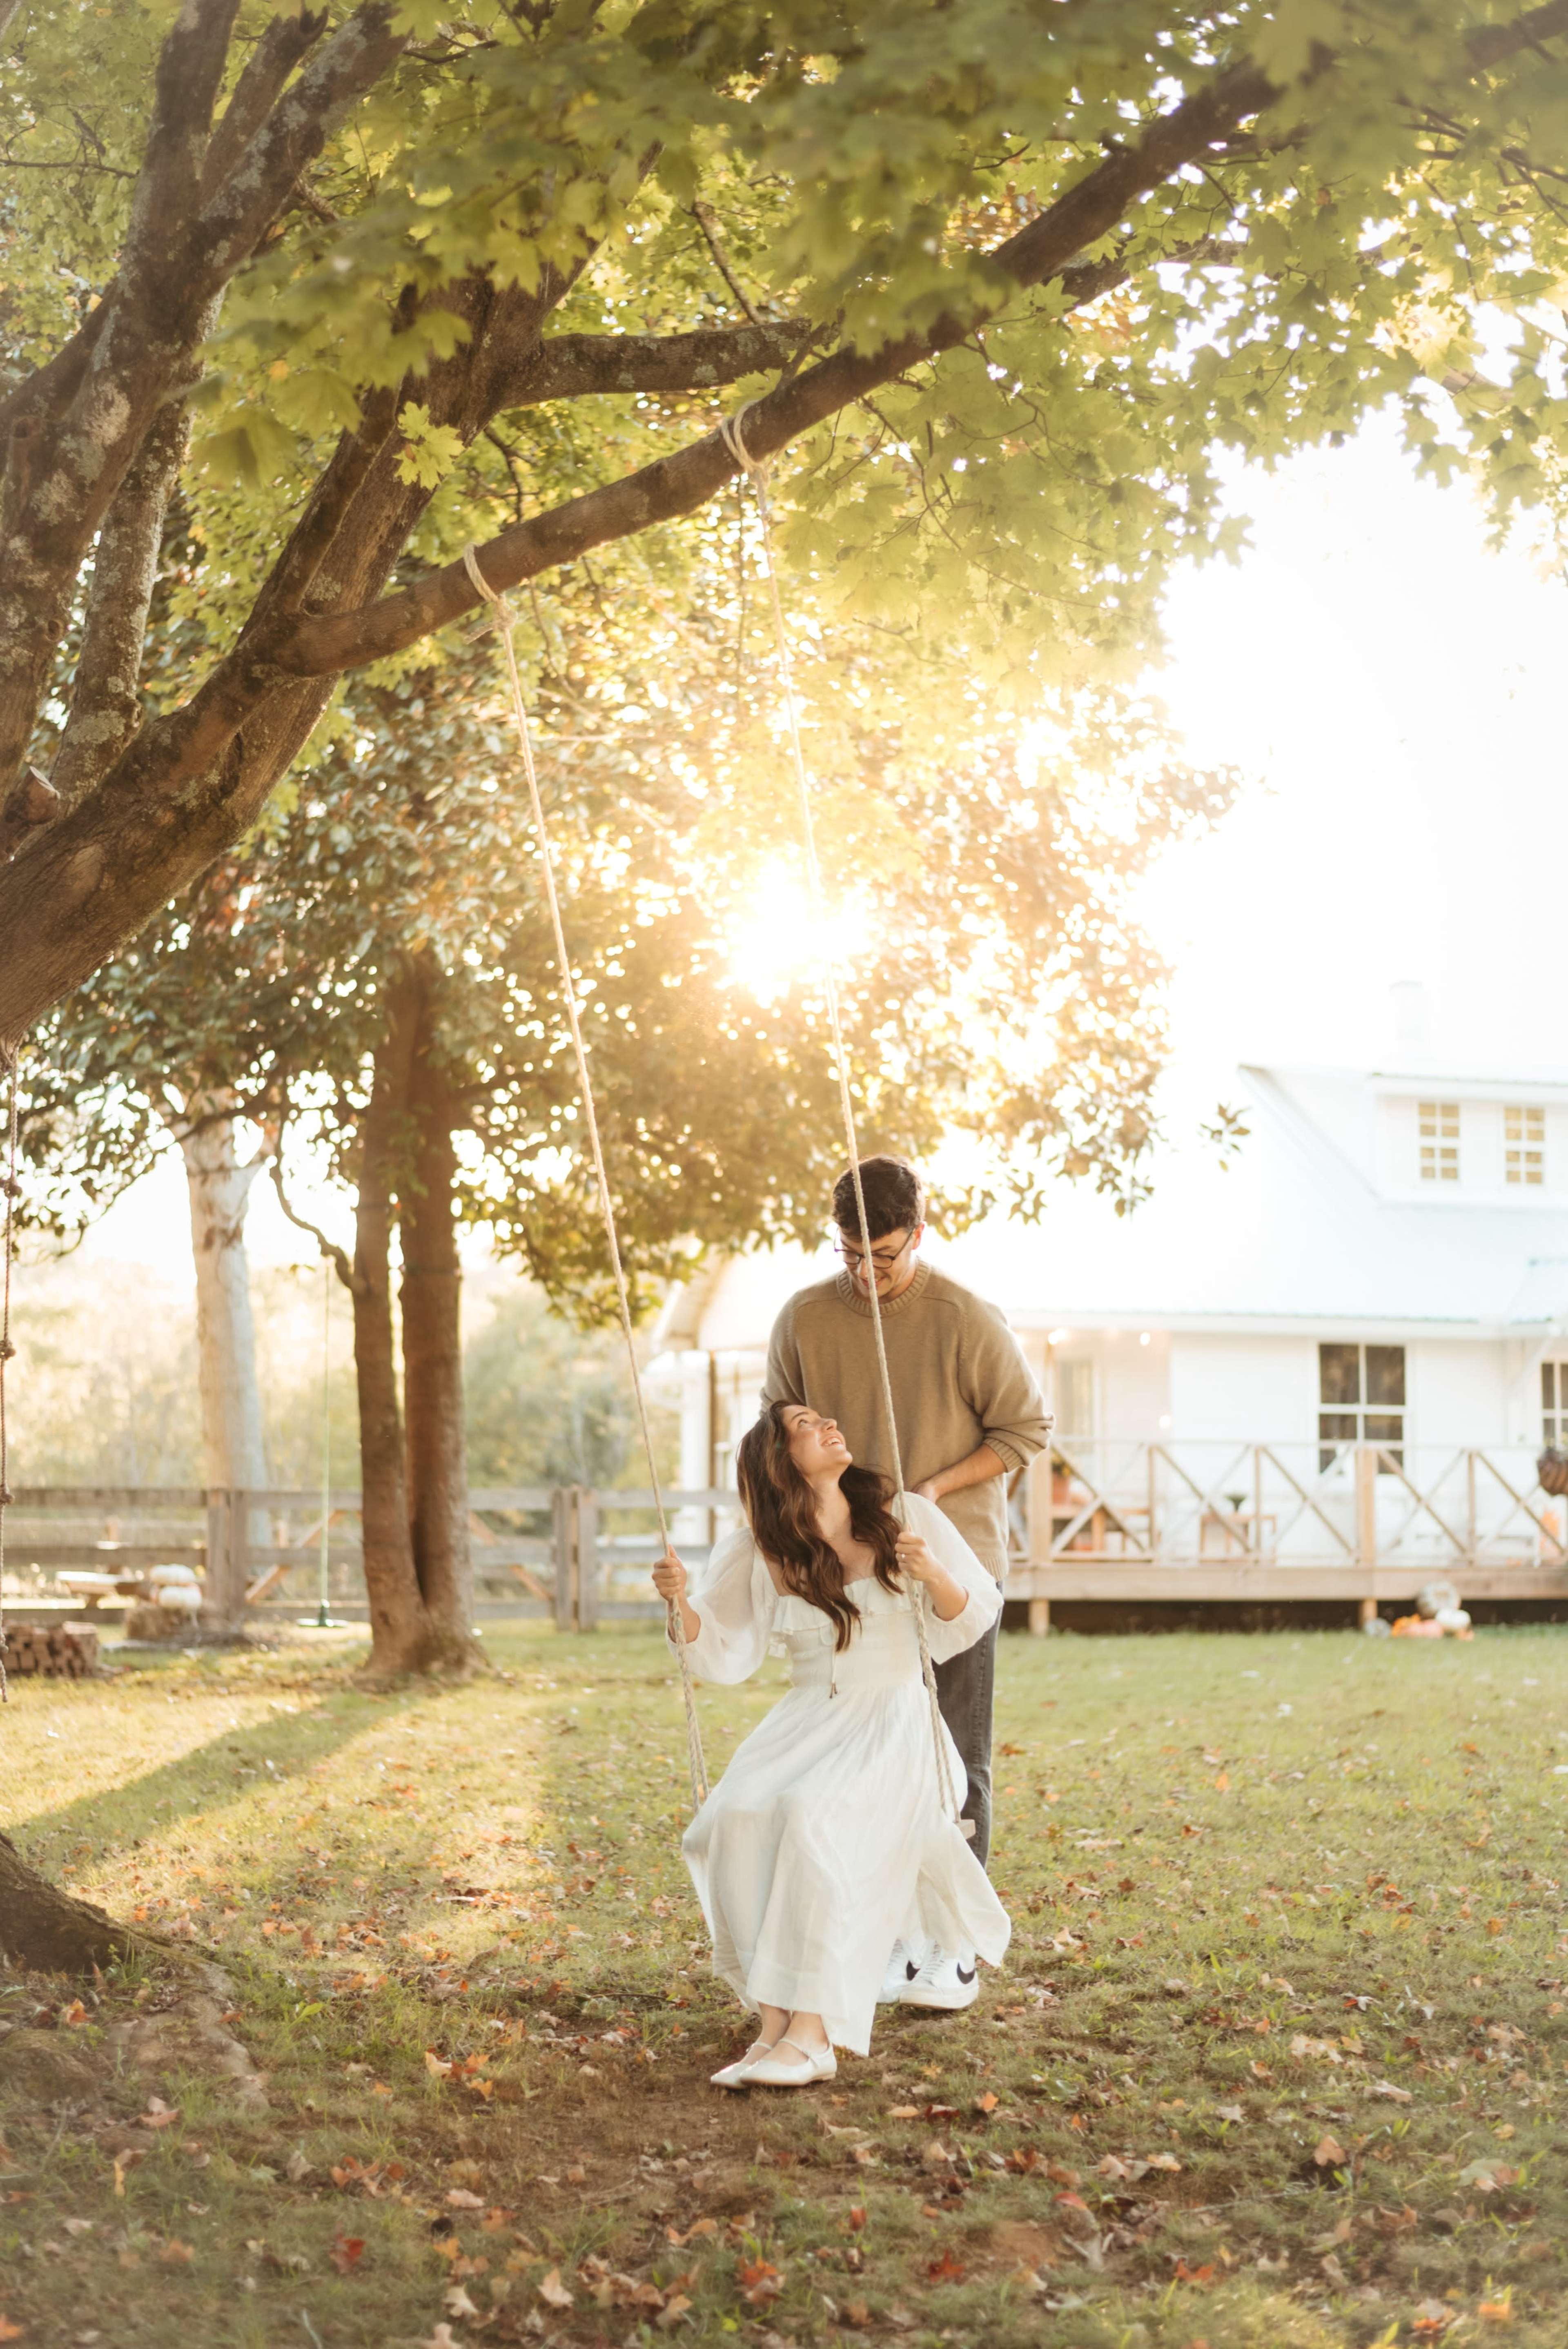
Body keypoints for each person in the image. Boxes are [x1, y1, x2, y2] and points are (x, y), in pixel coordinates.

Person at [762, 1153, 1051, 2011]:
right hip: (850, 1572)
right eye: (850, 1252)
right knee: (865, 1759)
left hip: (951, 1565)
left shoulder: (965, 1317)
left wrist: (928, 1494)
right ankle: (892, 1935)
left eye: (882, 1254)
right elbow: (776, 1420)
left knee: (955, 1756)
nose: (864, 1271)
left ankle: (954, 1945)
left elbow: (1025, 1429)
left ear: (918, 1235)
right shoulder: (805, 1318)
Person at [652, 1400, 1009, 2088]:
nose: (829, 1426)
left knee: (814, 1816)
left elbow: (972, 1621)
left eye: (824, 1418)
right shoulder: (761, 1547)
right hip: (808, 1716)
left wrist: (933, 1572)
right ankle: (774, 2025)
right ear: (782, 1461)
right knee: (735, 1817)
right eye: (806, 1425)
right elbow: (722, 1653)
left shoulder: (906, 1514)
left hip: (895, 1717)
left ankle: (814, 2034)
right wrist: (680, 1602)